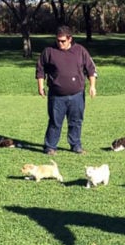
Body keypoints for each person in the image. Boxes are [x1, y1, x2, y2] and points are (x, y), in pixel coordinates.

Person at [36, 25, 97, 155]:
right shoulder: (49, 51)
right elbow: (40, 69)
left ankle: (75, 145)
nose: (60, 43)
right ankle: (50, 146)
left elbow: (91, 69)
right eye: (58, 40)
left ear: (70, 39)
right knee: (55, 122)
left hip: (77, 95)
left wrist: (92, 86)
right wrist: (40, 86)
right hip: (56, 96)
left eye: (63, 41)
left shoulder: (80, 51)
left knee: (76, 121)